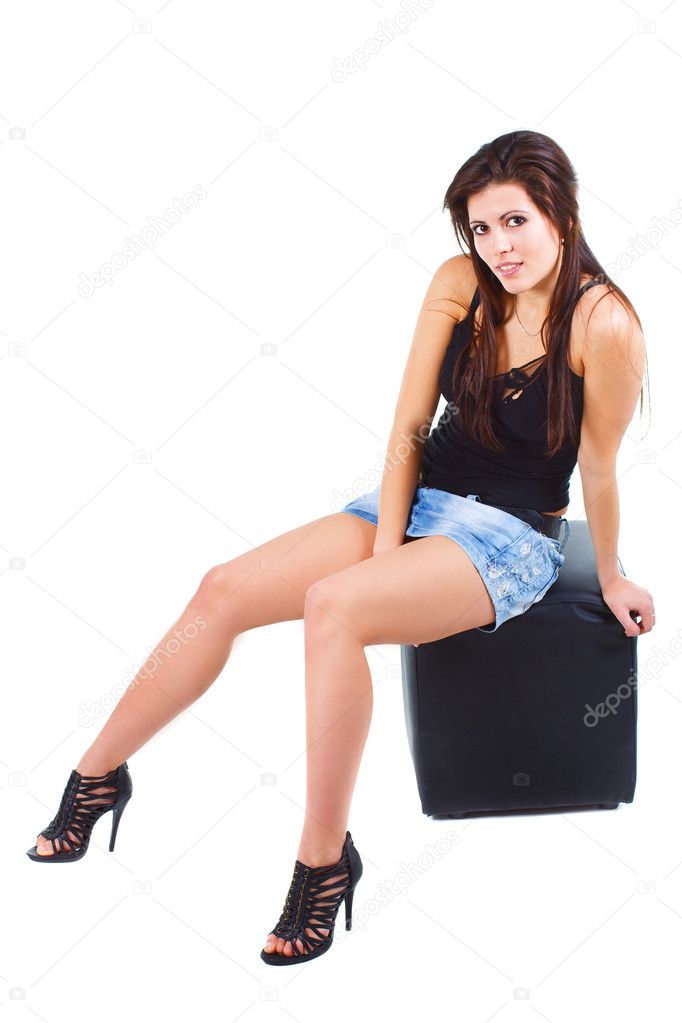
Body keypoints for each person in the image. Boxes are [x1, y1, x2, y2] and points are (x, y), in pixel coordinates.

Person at [26, 129, 655, 966]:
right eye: (481, 228)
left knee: (334, 607)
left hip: (510, 536)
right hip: (421, 493)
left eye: (516, 222)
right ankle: (96, 778)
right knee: (221, 588)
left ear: (561, 213)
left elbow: (599, 467)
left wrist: (609, 576)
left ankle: (323, 865)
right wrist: (390, 541)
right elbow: (404, 428)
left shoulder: (603, 322)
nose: (498, 245)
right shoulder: (459, 284)